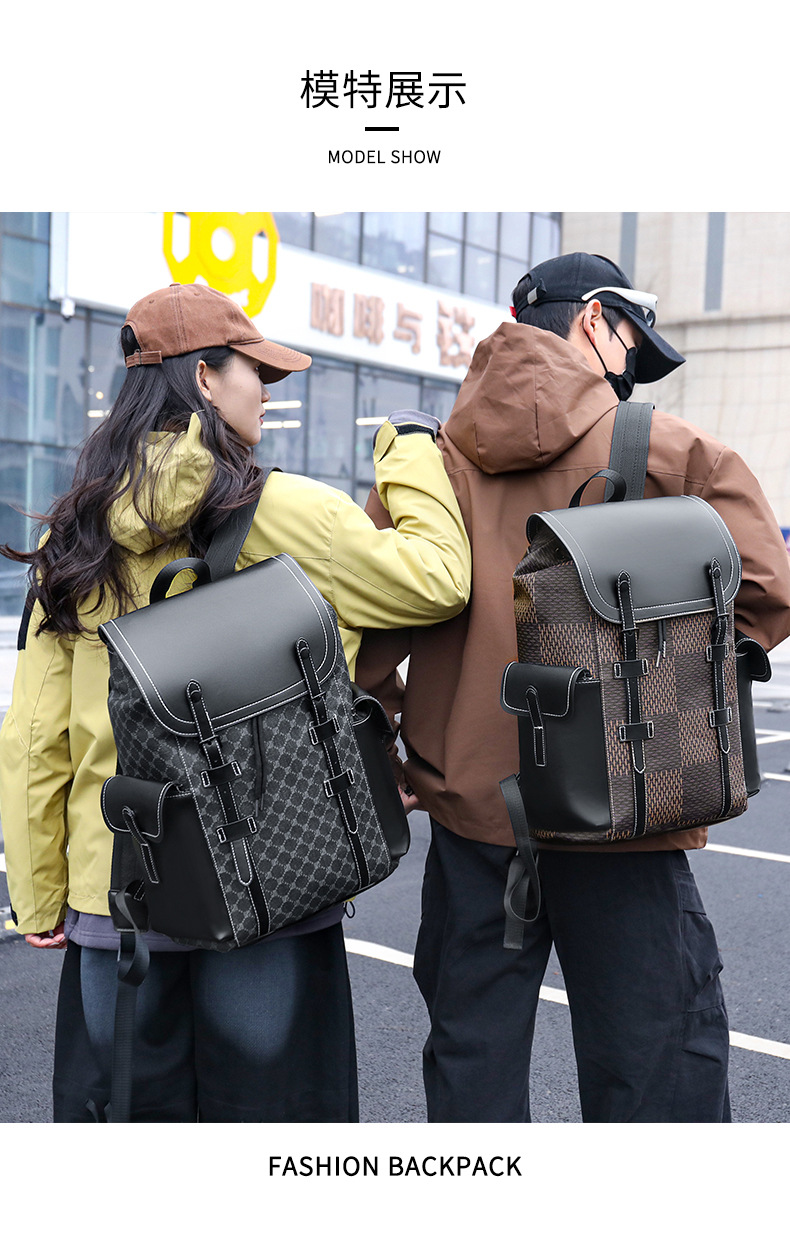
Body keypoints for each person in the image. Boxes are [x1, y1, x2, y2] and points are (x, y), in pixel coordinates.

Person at [0, 281, 471, 1123]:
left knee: (123, 1138)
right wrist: (406, 450)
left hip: (120, 889)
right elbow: (438, 581)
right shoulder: (293, 512)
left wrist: (39, 893)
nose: (266, 390)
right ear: (205, 379)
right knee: (270, 1123)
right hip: (269, 878)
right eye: (256, 370)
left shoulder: (73, 532)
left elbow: (36, 735)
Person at [356, 252, 790, 1123]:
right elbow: (767, 585)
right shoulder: (665, 449)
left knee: (473, 1067)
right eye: (630, 341)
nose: (628, 369)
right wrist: (677, 690)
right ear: (594, 318)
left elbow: (368, 628)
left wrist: (399, 745)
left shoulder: (431, 465)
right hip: (630, 810)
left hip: (475, 821)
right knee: (656, 1077)